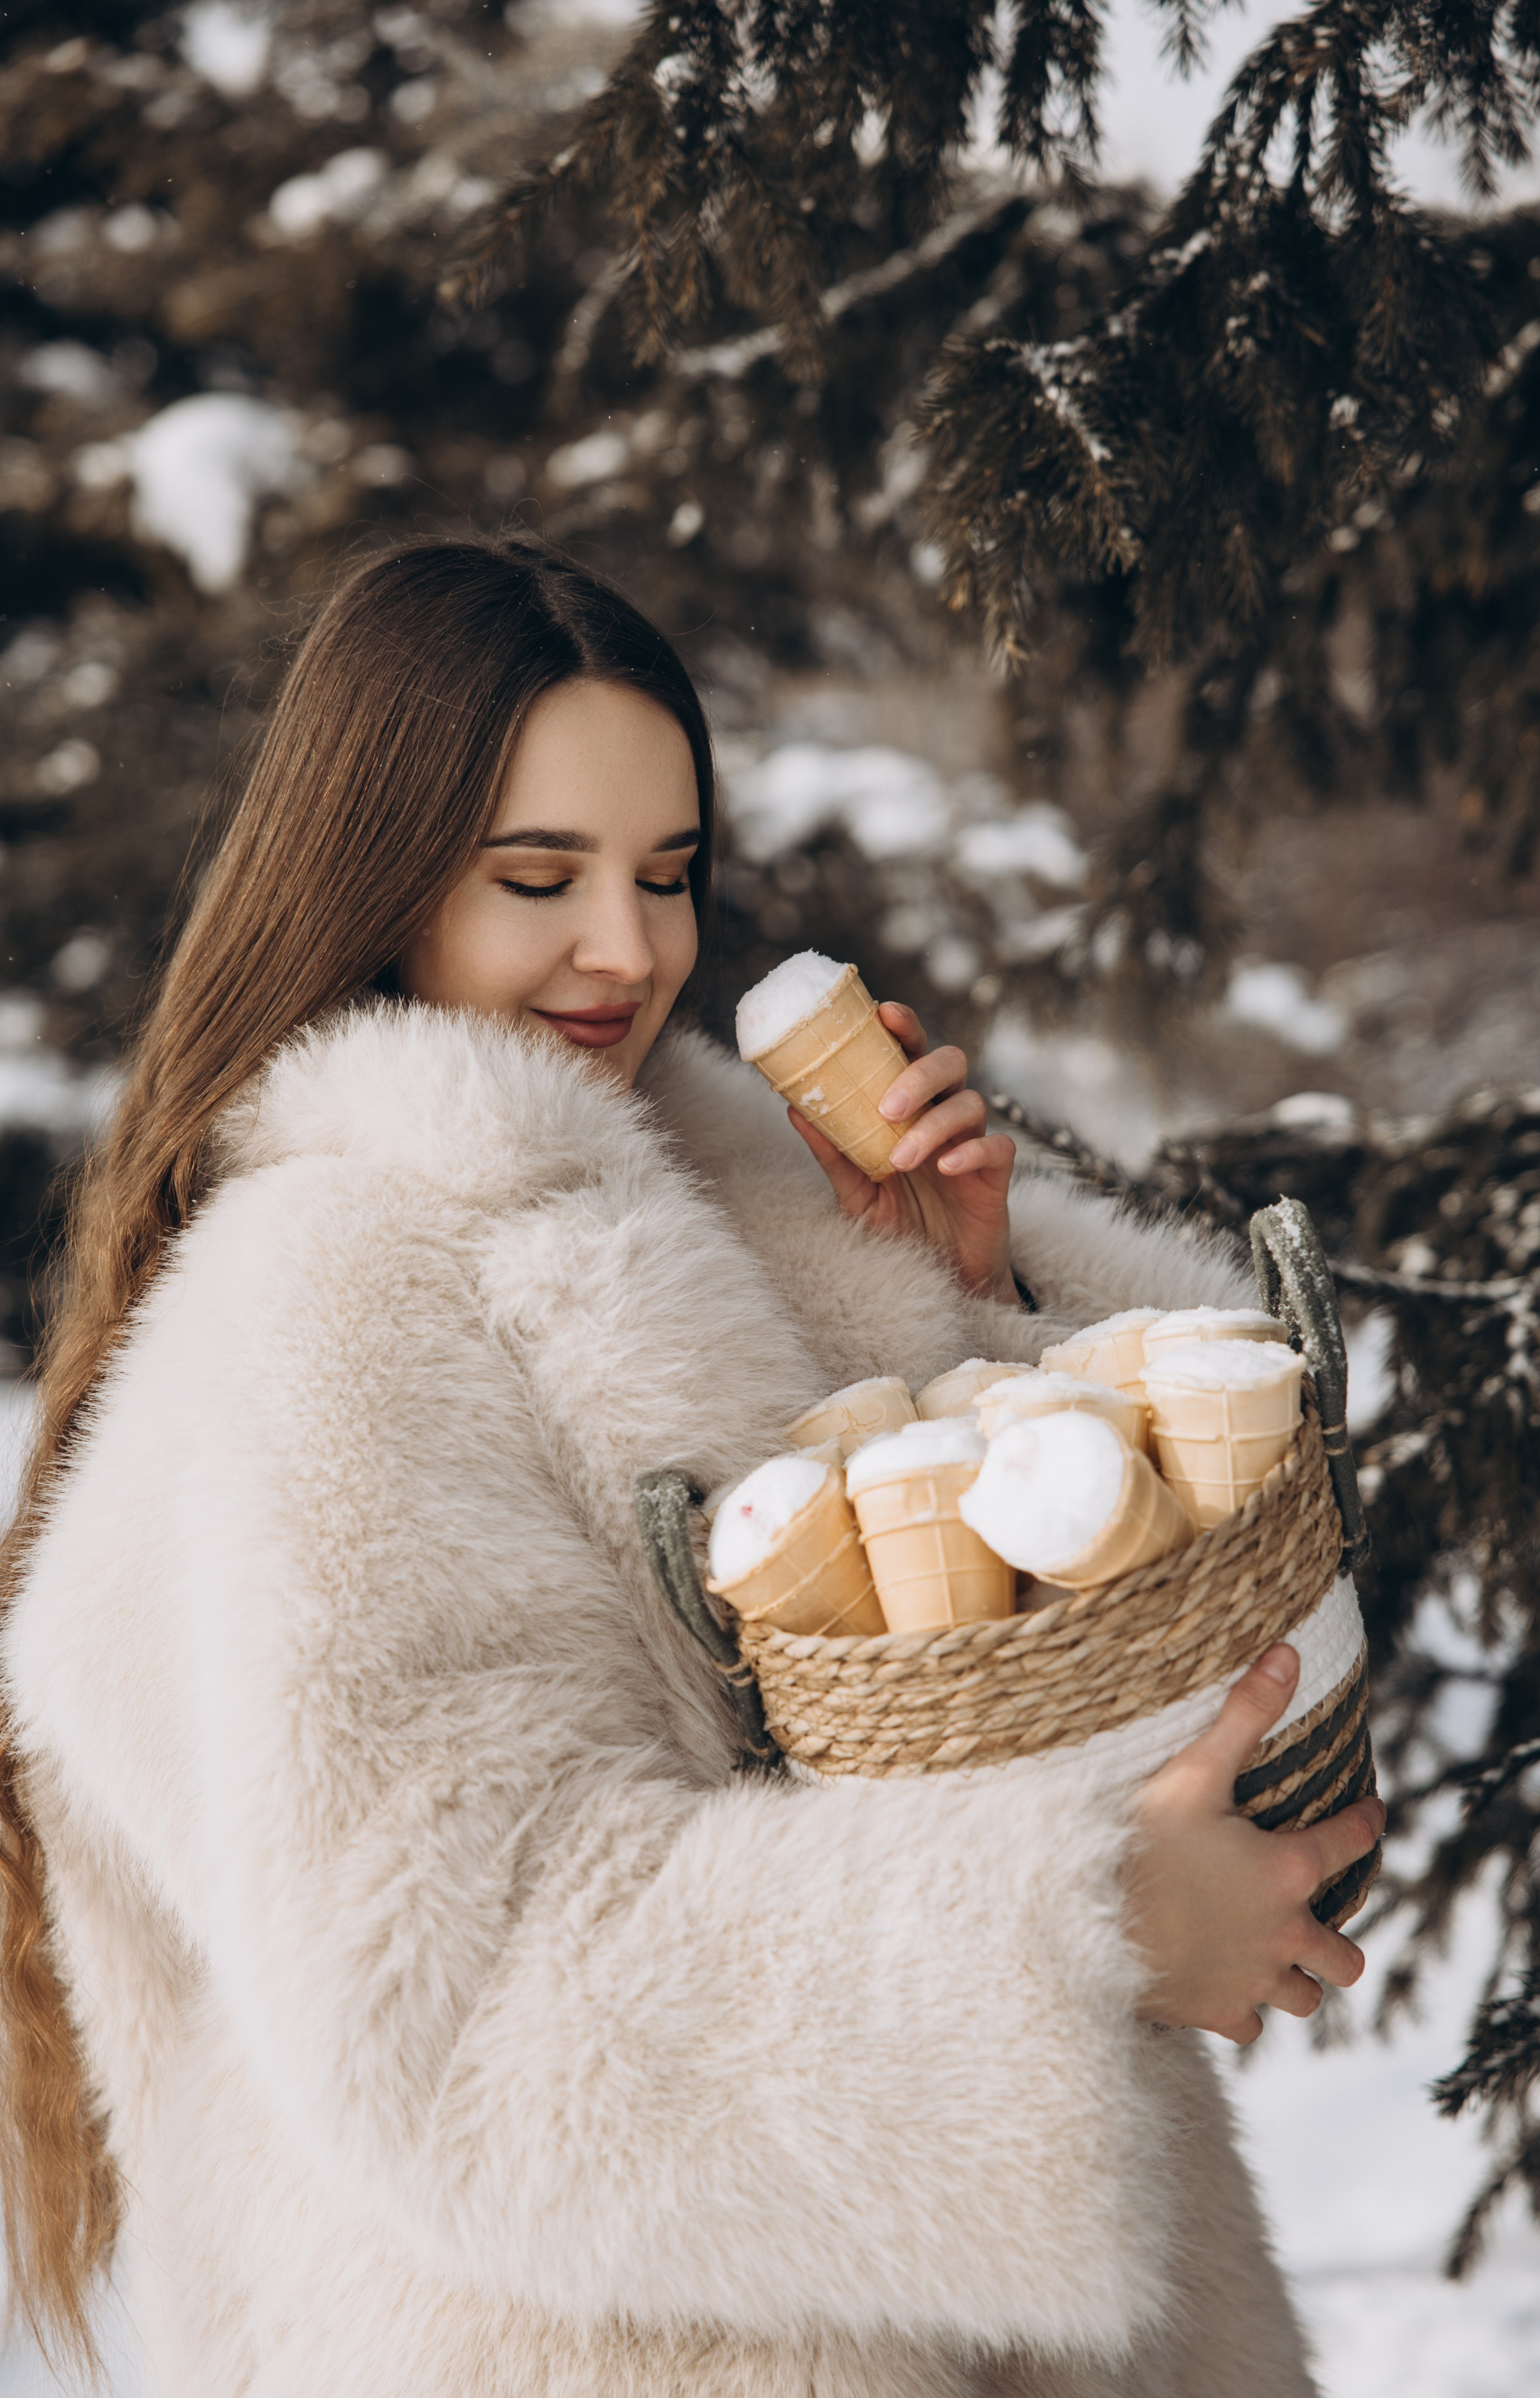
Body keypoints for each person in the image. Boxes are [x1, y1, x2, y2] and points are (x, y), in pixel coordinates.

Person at [0, 535, 1382, 2398]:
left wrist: (962, 1298)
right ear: (375, 876)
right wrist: (1093, 1929)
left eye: (667, 874)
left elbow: (931, 1671)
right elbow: (473, 2010)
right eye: (539, 877)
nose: (631, 949)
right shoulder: (329, 1301)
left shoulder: (725, 1201)